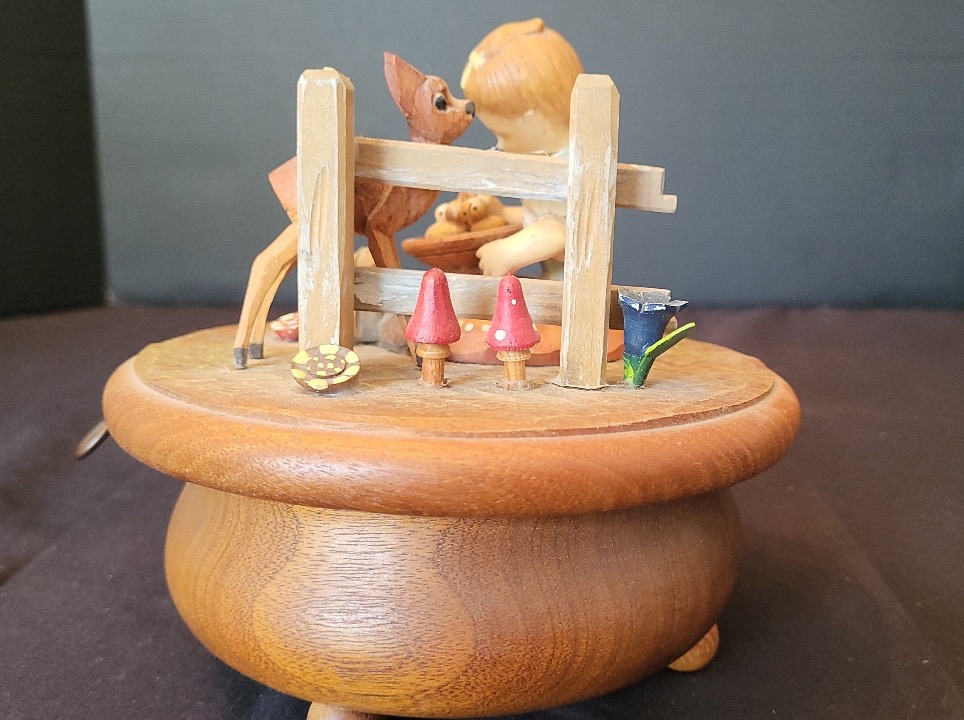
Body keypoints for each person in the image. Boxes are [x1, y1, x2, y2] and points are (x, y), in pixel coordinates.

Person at [459, 18, 583, 280]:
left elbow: (559, 231)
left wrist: (509, 251)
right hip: (553, 283)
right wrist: (503, 213)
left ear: (536, 123)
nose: (500, 146)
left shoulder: (572, 167)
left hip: (572, 291)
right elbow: (540, 219)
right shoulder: (546, 160)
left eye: (503, 135)